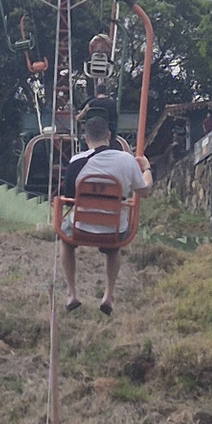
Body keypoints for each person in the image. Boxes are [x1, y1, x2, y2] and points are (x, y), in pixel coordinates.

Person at [60, 115, 152, 316]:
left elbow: (68, 199)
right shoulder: (127, 160)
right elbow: (144, 191)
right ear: (109, 136)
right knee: (112, 249)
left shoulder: (77, 162)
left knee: (66, 242)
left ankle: (71, 292)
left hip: (80, 228)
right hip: (113, 231)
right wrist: (146, 168)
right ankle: (108, 295)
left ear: (86, 138)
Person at [76, 80, 120, 148]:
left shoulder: (91, 103)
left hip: (93, 133)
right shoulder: (113, 104)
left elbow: (79, 117)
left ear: (96, 92)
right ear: (106, 92)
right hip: (109, 132)